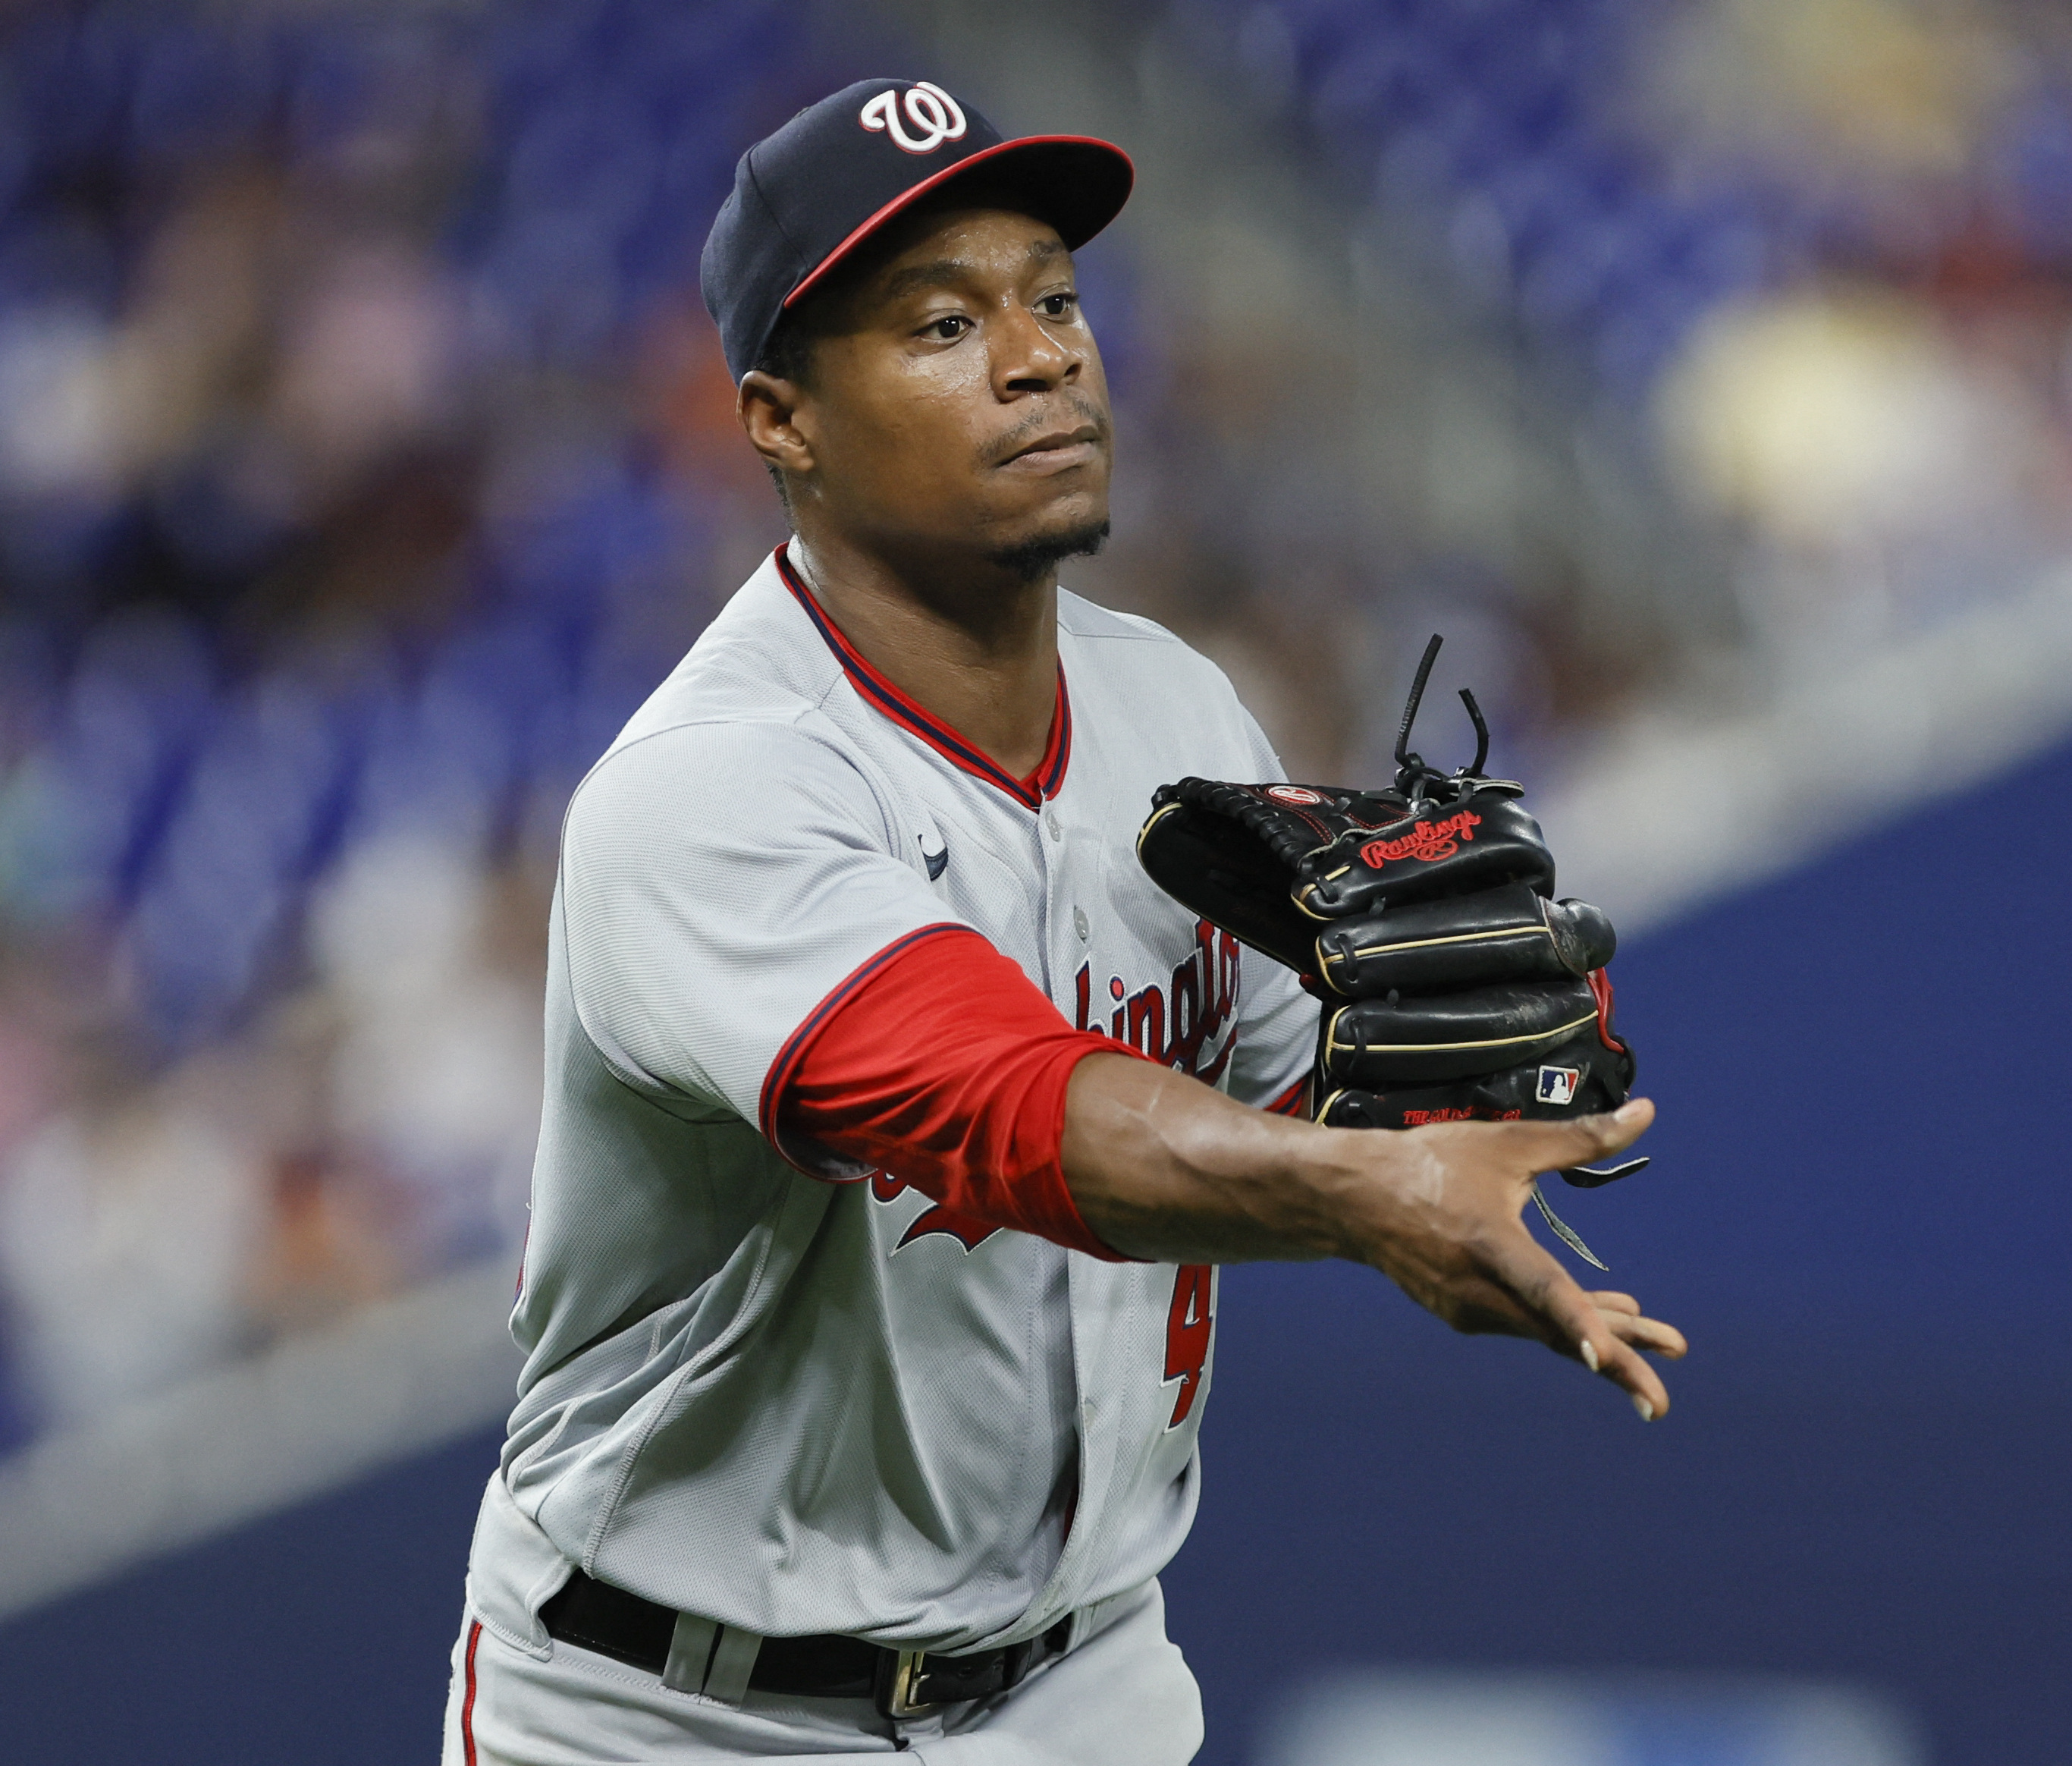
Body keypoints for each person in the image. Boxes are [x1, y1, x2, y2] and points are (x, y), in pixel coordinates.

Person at [442, 77, 1684, 1766]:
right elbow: (1009, 1114)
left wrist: (1430, 1135)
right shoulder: (709, 792)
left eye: (1055, 300)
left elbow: (1280, 1115)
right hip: (677, 1709)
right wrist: (1359, 1195)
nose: (1041, 358)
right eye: (943, 324)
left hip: (1080, 1684)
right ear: (781, 417)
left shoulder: (1172, 711)